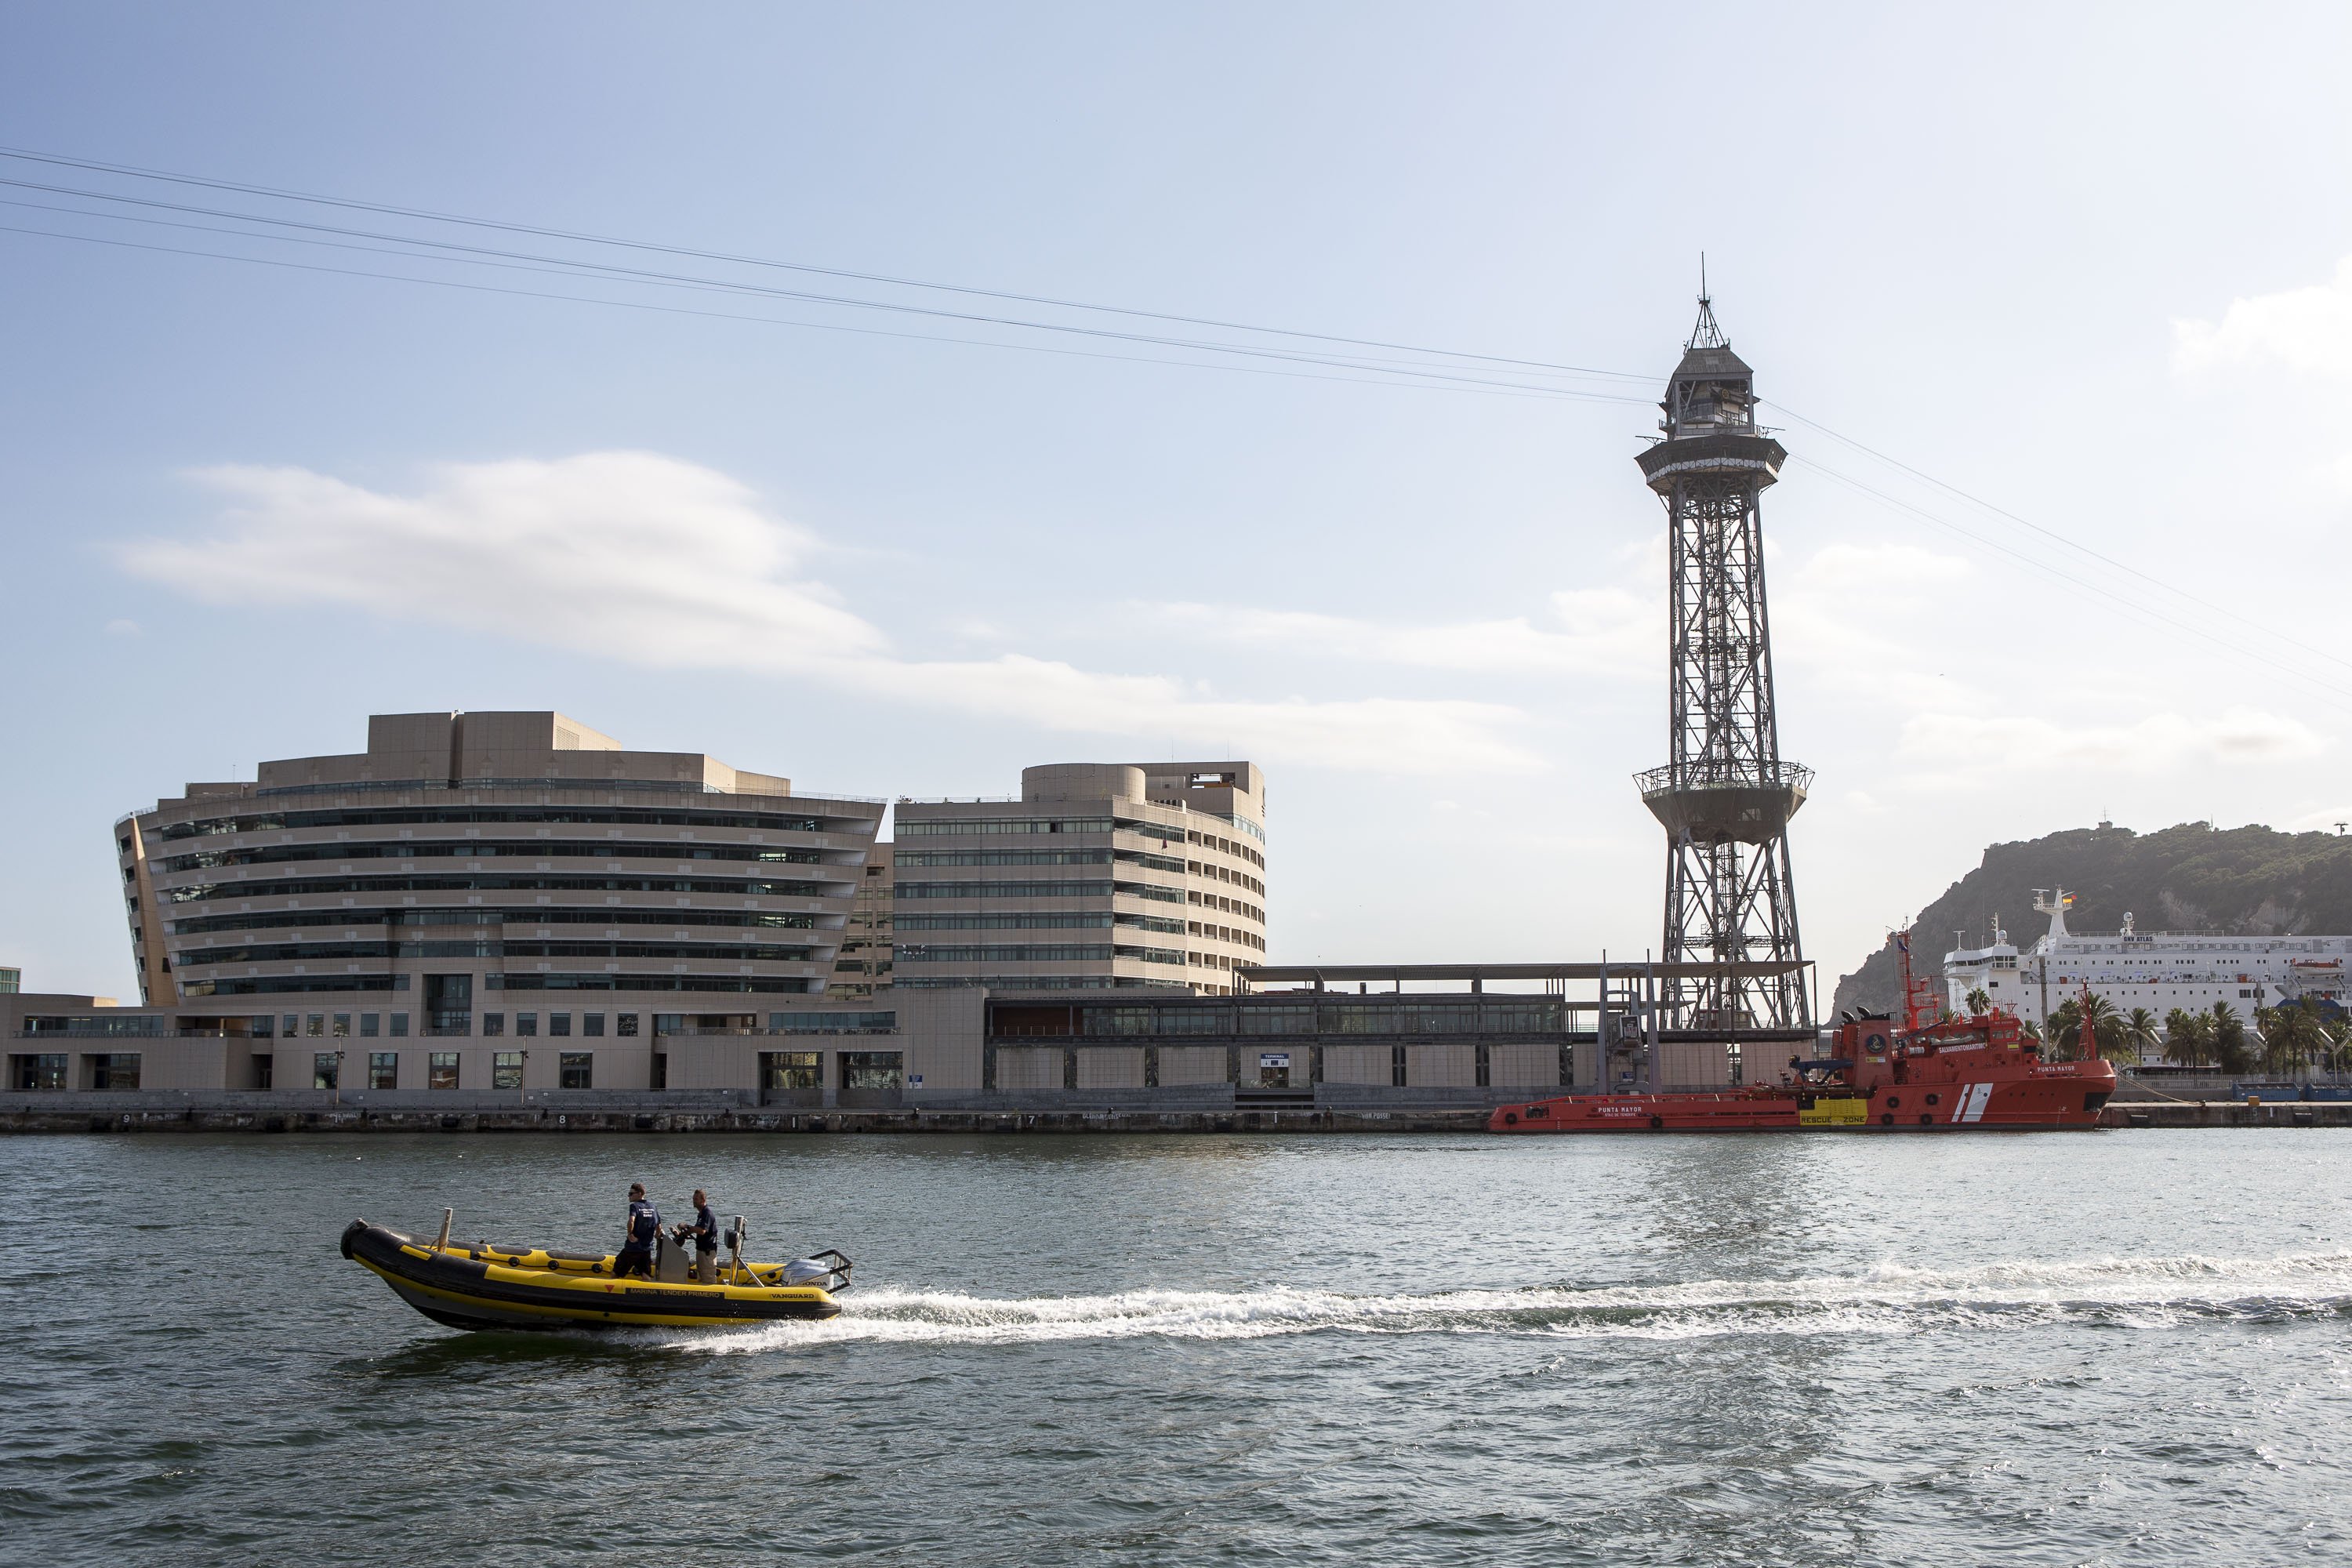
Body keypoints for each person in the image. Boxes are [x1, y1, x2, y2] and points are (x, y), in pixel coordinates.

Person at [615, 1182, 661, 1279]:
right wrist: (657, 1235)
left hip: (633, 1248)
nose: (629, 1196)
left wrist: (630, 1234)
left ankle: (611, 1292)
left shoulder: (635, 1206)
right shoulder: (653, 1207)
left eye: (631, 1194)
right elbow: (659, 1225)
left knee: (616, 1273)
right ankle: (652, 1291)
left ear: (640, 1194)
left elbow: (631, 1220)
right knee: (645, 1274)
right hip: (646, 1248)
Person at [675, 1189, 720, 1283]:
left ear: (703, 1201)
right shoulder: (701, 1214)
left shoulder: (707, 1213)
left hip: (707, 1253)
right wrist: (686, 1232)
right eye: (693, 1199)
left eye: (696, 1199)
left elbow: (702, 1230)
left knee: (708, 1280)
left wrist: (687, 1227)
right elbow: (697, 1229)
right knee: (702, 1278)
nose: (694, 1201)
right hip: (701, 1251)